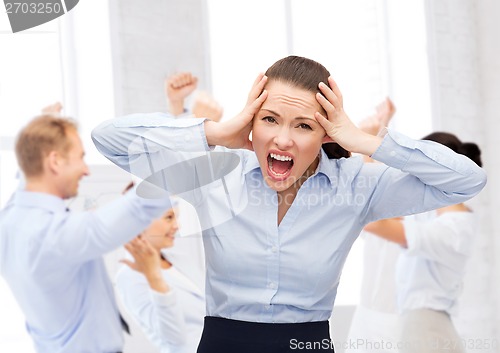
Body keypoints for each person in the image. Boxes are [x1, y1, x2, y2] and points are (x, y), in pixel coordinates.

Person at [91, 55, 487, 353]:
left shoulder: (358, 187)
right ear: (252, 121)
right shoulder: (217, 173)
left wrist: (365, 140)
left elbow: (467, 180)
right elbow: (108, 139)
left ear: (325, 134)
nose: (282, 139)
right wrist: (216, 131)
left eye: (303, 125)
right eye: (269, 119)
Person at [0, 115, 171, 353]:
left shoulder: (9, 219)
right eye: (81, 157)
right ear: (55, 161)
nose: (86, 170)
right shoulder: (54, 235)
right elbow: (144, 203)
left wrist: (37, 137)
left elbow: (27, 176)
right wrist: (196, 134)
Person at [363, 132, 483, 353]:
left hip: (426, 327)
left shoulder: (454, 228)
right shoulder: (430, 215)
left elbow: (372, 221)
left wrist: (364, 147)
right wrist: (371, 139)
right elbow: (381, 205)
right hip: (423, 325)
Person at [115, 191, 205, 353]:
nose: (178, 225)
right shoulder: (129, 277)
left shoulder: (178, 258)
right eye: (169, 217)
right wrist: (155, 278)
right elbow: (174, 338)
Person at [345, 98, 401, 353]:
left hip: (391, 324)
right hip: (368, 317)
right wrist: (376, 133)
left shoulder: (413, 218)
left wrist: (367, 140)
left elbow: (368, 207)